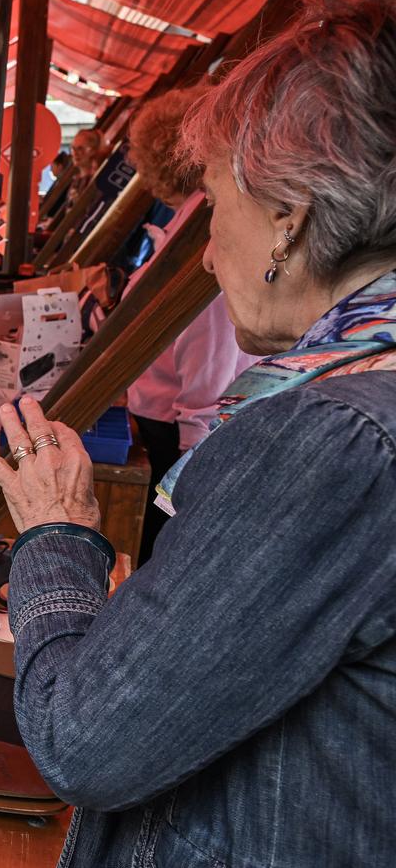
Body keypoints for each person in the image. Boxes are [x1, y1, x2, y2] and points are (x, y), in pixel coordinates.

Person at [0, 0, 396, 868]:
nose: (207, 249)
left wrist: (57, 536)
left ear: (288, 219)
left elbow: (85, 737)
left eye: (219, 200)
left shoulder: (329, 439)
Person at [117, 87, 257, 560]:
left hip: (178, 432)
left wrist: (189, 456)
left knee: (160, 549)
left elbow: (210, 348)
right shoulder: (191, 223)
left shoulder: (204, 233)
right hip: (170, 420)